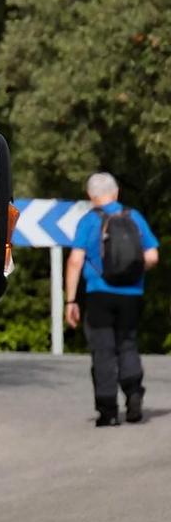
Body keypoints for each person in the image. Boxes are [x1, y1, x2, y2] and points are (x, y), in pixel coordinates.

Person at [65, 172, 160, 426]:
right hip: (131, 294)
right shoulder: (133, 217)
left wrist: (71, 301)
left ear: (90, 195)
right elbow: (152, 257)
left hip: (99, 295)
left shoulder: (88, 221)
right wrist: (133, 272)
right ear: (116, 192)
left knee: (103, 350)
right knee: (127, 344)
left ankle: (108, 411)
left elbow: (75, 261)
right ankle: (133, 395)